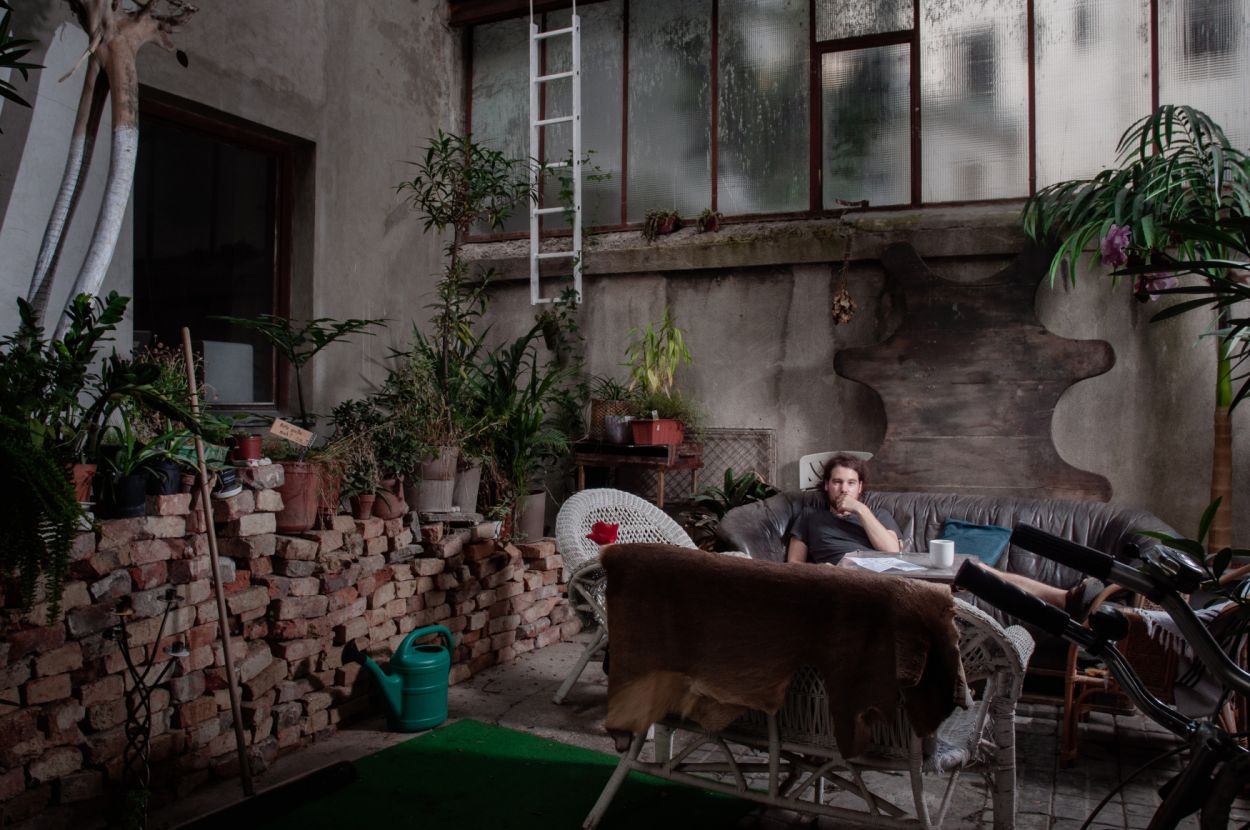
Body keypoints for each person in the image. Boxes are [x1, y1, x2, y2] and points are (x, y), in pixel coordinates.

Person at [786, 454, 903, 566]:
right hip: (836, 575)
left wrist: (860, 509)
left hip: (876, 574)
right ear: (826, 485)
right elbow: (793, 564)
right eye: (837, 482)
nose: (844, 489)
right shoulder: (809, 516)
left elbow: (893, 552)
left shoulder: (879, 515)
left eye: (851, 483)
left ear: (860, 487)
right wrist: (820, 570)